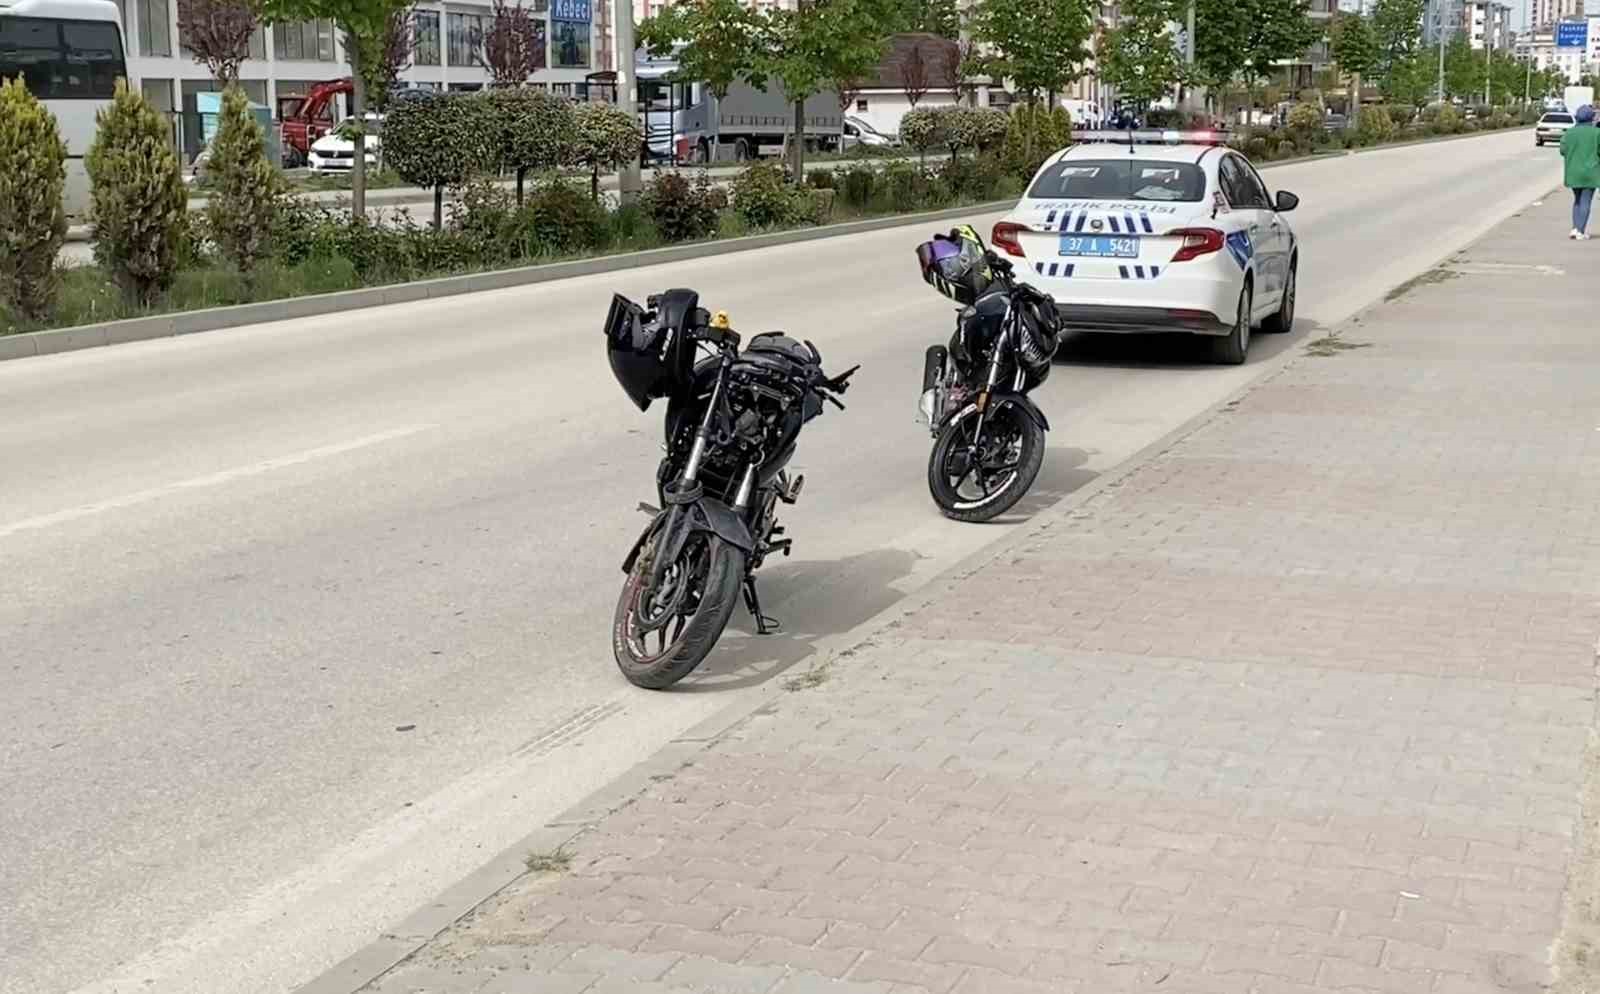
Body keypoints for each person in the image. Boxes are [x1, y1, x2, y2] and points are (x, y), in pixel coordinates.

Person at [1560, 104, 1600, 239]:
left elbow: (1562, 150)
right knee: (1586, 201)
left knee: (1577, 200)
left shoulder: (1569, 133)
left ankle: (1575, 228)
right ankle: (1580, 231)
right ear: (1591, 117)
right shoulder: (1597, 133)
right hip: (1591, 172)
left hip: (1573, 171)